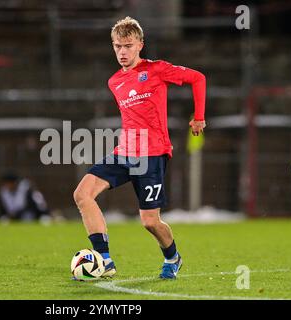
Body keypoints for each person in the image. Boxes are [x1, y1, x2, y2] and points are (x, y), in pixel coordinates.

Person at [73, 17, 206, 279]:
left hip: (152, 154)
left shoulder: (157, 69)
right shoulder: (114, 82)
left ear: (140, 45)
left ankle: (173, 257)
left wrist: (199, 116)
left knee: (149, 221)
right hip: (124, 153)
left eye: (128, 46)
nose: (122, 52)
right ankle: (105, 260)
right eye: (117, 46)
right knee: (82, 194)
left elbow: (198, 78)